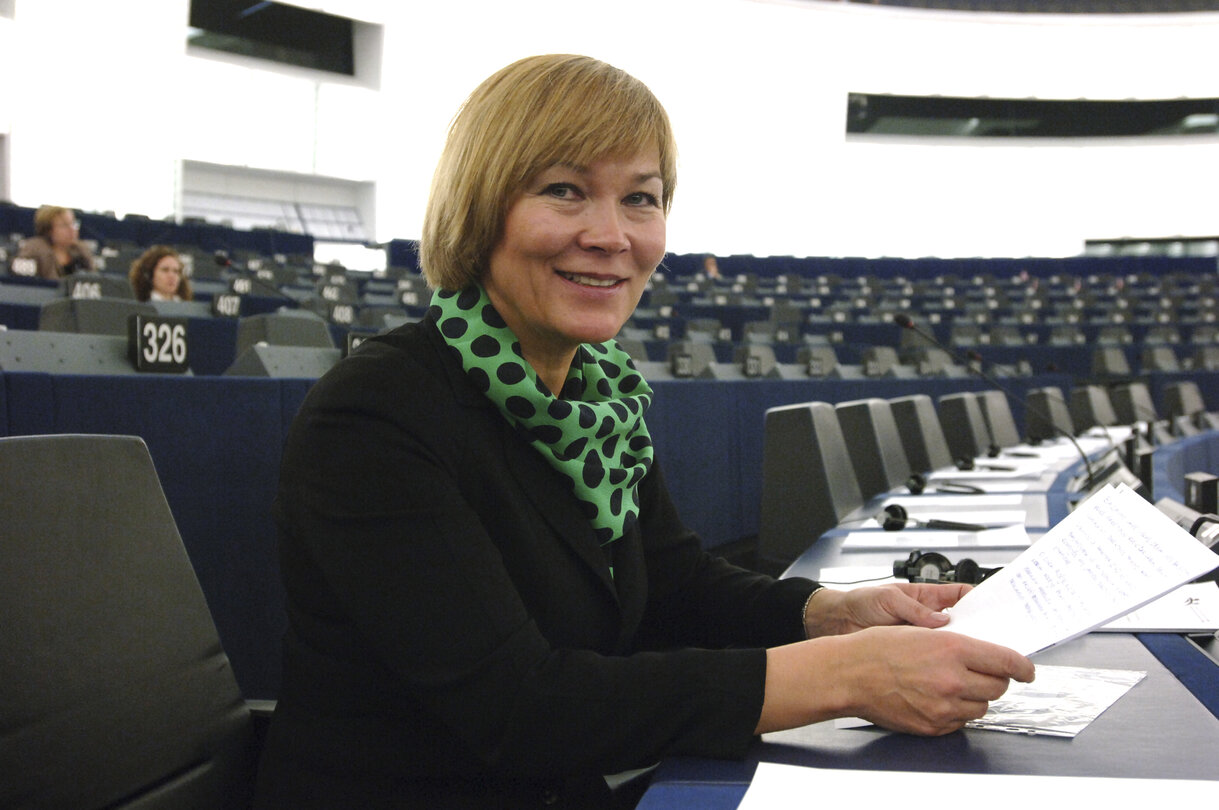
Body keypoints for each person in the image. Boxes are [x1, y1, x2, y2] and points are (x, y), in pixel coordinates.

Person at [252, 54, 1034, 809]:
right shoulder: (376, 414)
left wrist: (830, 613)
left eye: (641, 198)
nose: (610, 235)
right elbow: (521, 709)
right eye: (563, 191)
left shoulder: (597, 399)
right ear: (479, 208)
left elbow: (671, 587)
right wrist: (844, 677)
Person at [15, 205, 96, 279]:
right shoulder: (34, 249)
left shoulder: (81, 250)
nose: (72, 230)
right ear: (48, 230)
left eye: (73, 223)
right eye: (64, 225)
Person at [128, 245, 193, 302]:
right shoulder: (139, 306)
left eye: (176, 271)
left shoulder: (188, 308)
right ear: (148, 275)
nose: (172, 276)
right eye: (165, 270)